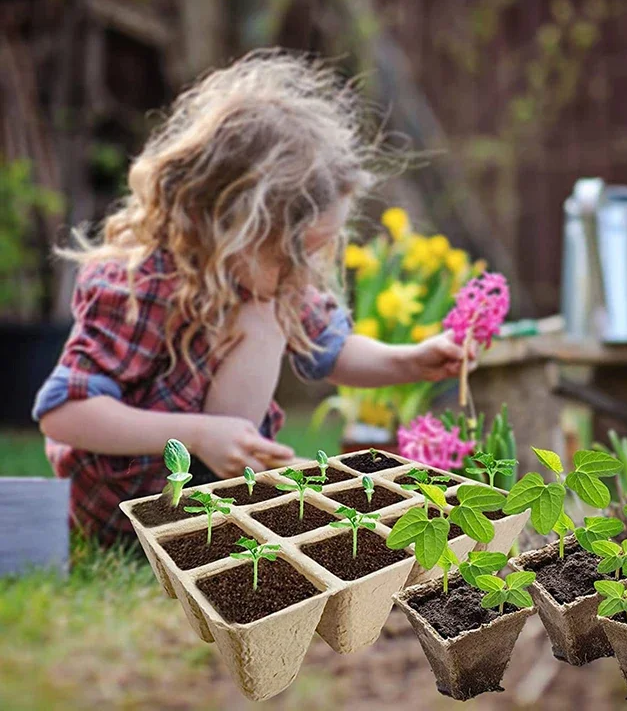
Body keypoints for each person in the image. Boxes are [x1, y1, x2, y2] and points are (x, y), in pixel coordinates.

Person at [34, 51, 473, 545]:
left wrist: (409, 361)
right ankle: (218, 513)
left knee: (269, 325)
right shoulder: (141, 282)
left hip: (206, 488)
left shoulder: (267, 283)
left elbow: (332, 349)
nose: (306, 271)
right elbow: (64, 411)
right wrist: (197, 434)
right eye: (294, 253)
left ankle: (232, 509)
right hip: (125, 509)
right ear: (228, 223)